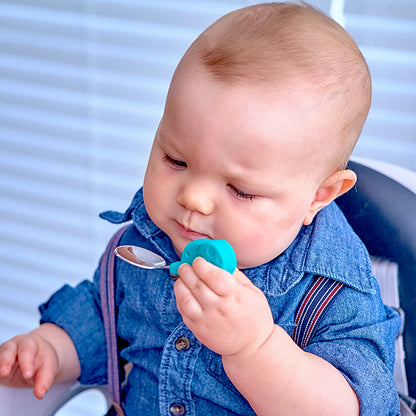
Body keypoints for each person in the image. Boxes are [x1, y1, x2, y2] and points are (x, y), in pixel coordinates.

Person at [0, 2, 401, 415]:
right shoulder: (147, 245)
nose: (193, 198)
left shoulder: (332, 293)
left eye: (240, 190)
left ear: (319, 196)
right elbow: (103, 318)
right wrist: (49, 348)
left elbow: (351, 408)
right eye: (176, 160)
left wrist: (256, 347)